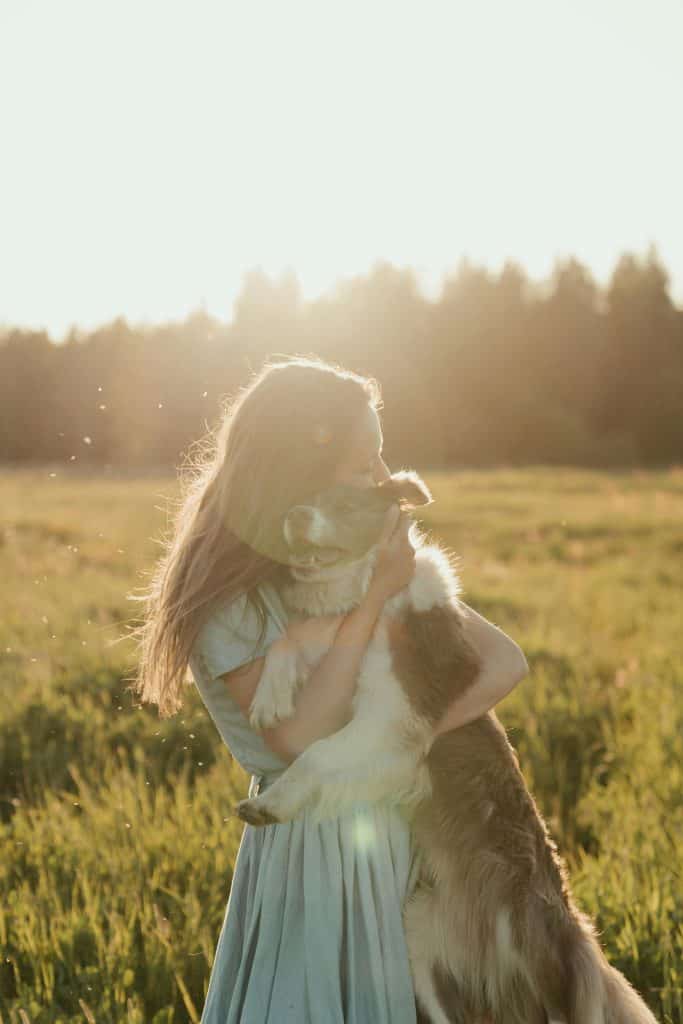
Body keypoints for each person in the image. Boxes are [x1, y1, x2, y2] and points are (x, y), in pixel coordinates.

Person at [131, 353, 529, 1023]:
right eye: (361, 462)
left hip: (399, 836)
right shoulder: (232, 601)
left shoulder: (363, 557)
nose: (379, 477)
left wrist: (405, 741)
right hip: (312, 858)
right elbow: (298, 739)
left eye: (379, 457)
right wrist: (374, 599)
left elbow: (503, 662)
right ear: (300, 470)